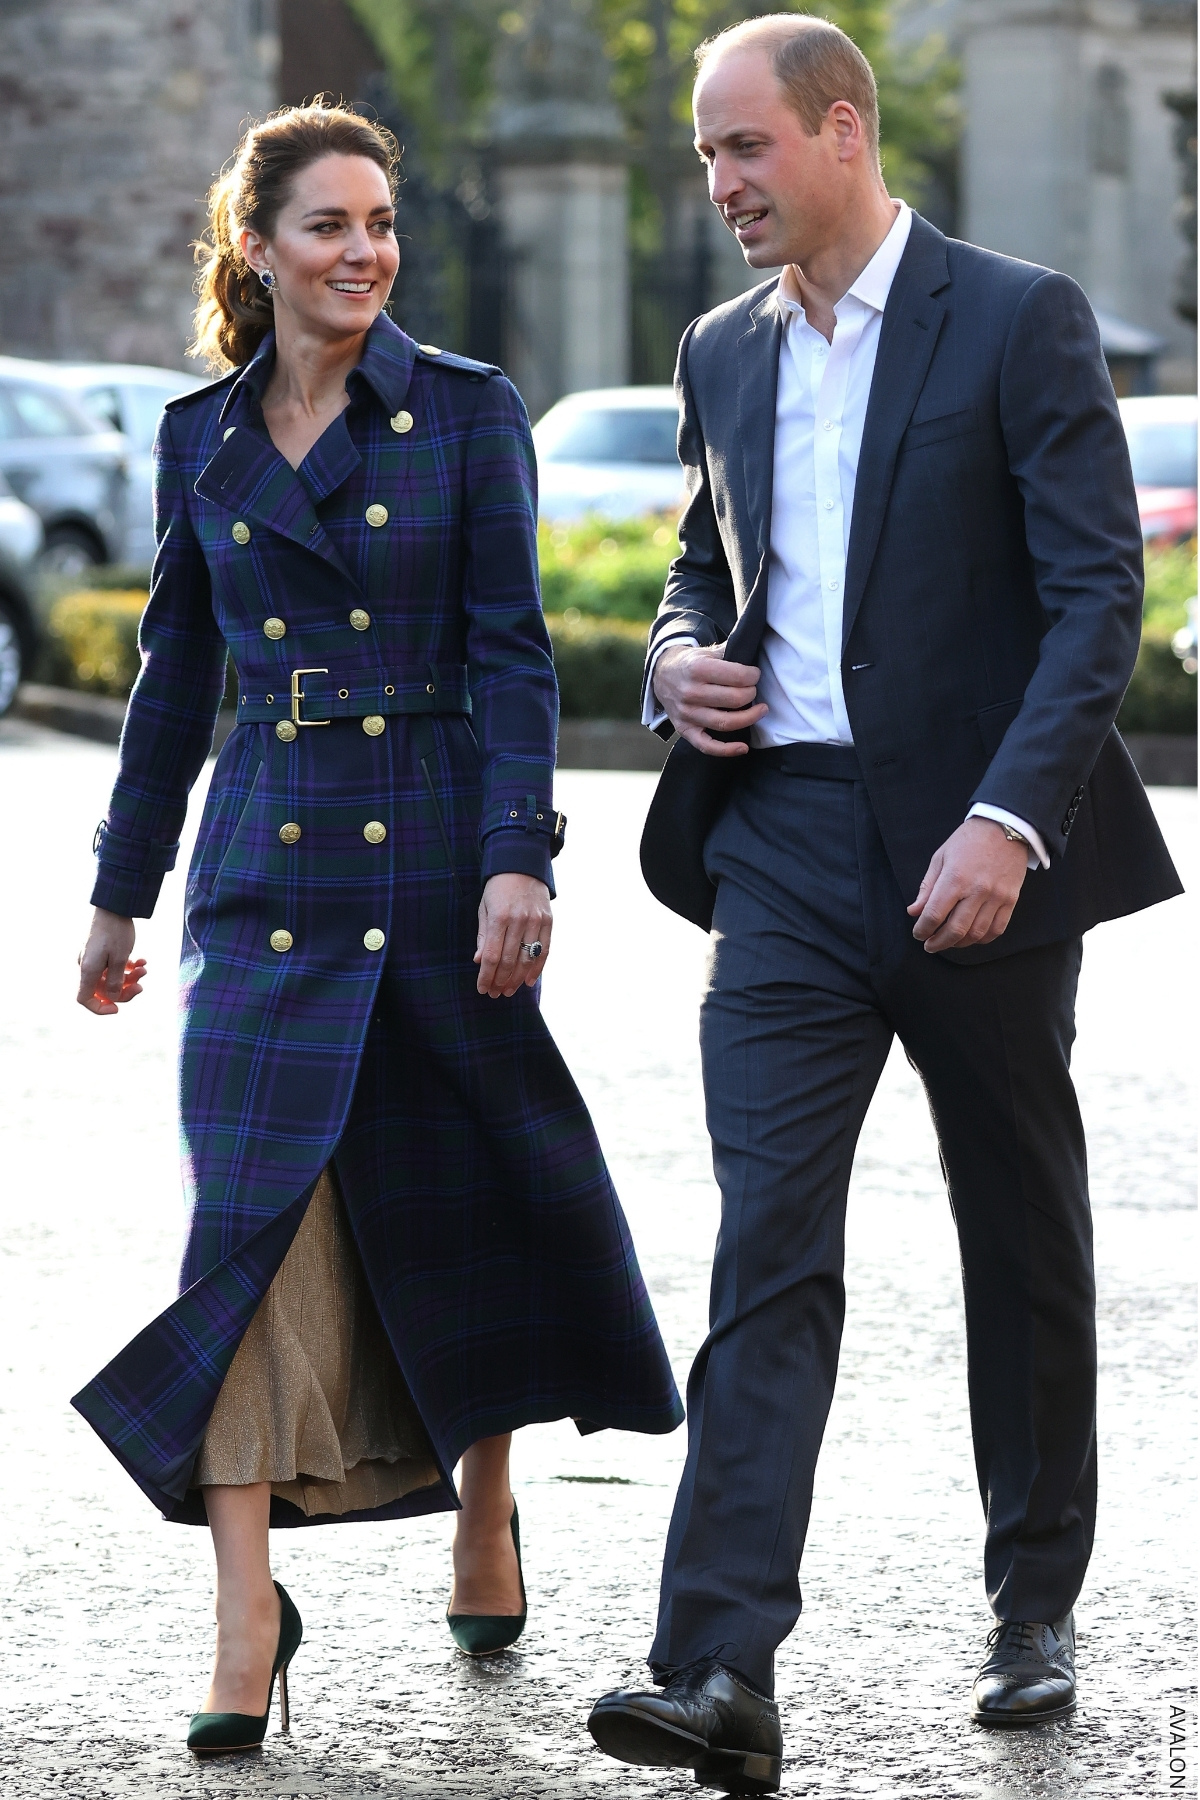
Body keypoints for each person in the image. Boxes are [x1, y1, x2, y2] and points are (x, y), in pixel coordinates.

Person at [586, 16, 1181, 1795]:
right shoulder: (717, 351)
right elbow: (709, 562)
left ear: (844, 133)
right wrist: (676, 658)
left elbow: (1094, 605)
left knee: (1020, 1221)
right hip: (779, 844)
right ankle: (716, 1667)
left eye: (744, 148)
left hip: (980, 856)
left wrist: (1008, 820)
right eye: (705, 156)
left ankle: (1033, 1599)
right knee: (771, 1237)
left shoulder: (1017, 318)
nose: (720, 186)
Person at [72, 102, 682, 1755]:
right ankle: (242, 1614)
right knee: (250, 1232)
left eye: (381, 225)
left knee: (458, 1185)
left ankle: (485, 1503)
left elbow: (514, 658)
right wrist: (120, 891)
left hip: (428, 855)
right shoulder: (199, 434)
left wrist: (518, 856)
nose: (364, 253)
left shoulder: (469, 415)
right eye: (328, 226)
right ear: (256, 246)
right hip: (265, 879)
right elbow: (174, 683)